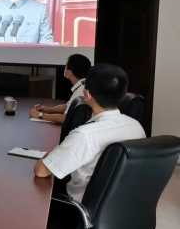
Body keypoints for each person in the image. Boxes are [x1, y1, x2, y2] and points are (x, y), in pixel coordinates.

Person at [34, 64, 145, 202]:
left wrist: (52, 152)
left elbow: (41, 171)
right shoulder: (136, 126)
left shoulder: (84, 135)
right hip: (121, 206)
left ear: (86, 94)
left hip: (79, 210)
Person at [29, 54, 92, 123]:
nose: (64, 68)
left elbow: (65, 118)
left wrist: (40, 115)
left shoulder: (81, 91)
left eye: (66, 66)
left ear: (70, 72)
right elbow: (68, 106)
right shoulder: (83, 85)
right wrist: (48, 109)